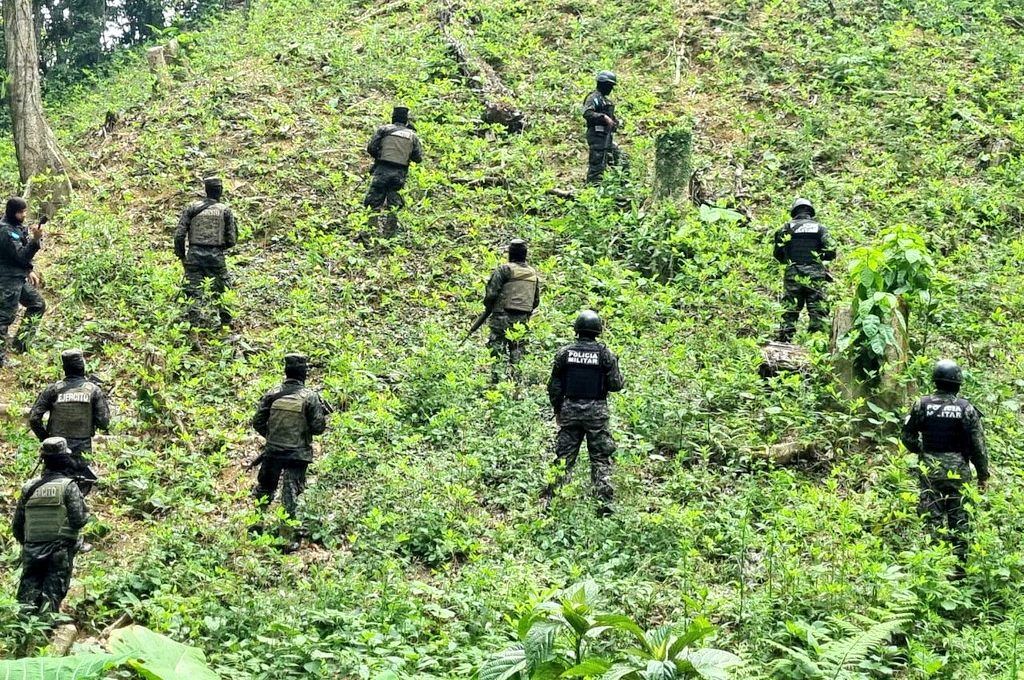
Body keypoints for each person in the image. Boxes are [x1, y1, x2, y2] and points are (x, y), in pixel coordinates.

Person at [902, 359, 989, 564]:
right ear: (958, 383)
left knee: (931, 517)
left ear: (935, 381)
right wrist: (983, 475)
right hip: (959, 471)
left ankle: (935, 565)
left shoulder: (921, 404)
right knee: (959, 518)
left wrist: (923, 451)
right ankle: (959, 568)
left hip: (930, 470)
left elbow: (907, 436)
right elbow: (978, 446)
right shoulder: (966, 408)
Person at [542, 310, 624, 515]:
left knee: (564, 458)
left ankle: (553, 506)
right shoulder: (605, 354)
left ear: (577, 329)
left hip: (570, 412)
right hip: (596, 414)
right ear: (598, 330)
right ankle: (604, 507)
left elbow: (554, 387)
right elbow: (615, 385)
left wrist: (558, 410)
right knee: (600, 458)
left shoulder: (565, 353)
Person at [251, 353, 328, 551]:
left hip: (273, 452)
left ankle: (256, 525)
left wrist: (272, 437)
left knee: (265, 488)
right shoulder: (310, 397)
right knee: (291, 494)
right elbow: (318, 428)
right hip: (297, 455)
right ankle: (287, 538)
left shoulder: (272, 393)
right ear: (304, 374)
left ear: (286, 372)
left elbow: (257, 422)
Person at [11, 437, 90, 616]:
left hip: (32, 548)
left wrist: (30, 543)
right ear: (64, 460)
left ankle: (22, 632)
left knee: (27, 595)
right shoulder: (68, 487)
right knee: (52, 594)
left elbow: (17, 525)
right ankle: (47, 631)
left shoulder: (28, 487)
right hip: (58, 550)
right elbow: (78, 520)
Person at [29, 349, 111, 495]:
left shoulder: (53, 390)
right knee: (79, 493)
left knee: (50, 489)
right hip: (81, 452)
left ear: (64, 369)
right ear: (83, 367)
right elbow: (104, 422)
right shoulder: (93, 390)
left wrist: (47, 439)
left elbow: (34, 418)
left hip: (55, 451)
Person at [174, 176, 238, 328]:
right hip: (216, 258)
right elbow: (232, 239)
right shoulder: (225, 211)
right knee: (223, 291)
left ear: (206, 190)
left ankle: (193, 329)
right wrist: (218, 248)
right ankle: (225, 327)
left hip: (194, 257)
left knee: (192, 294)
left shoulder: (192, 208)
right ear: (220, 191)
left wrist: (182, 256)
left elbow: (179, 235)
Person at [773, 198, 836, 342]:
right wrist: (818, 258)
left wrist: (791, 261)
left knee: (790, 310)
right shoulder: (820, 228)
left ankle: (785, 342)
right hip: (815, 275)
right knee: (818, 310)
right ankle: (816, 343)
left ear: (794, 211)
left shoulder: (785, 228)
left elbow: (778, 253)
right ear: (810, 212)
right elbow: (831, 251)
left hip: (793, 274)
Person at [482, 239, 540, 382]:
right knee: (518, 352)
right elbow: (536, 300)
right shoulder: (533, 274)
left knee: (497, 351)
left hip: (501, 318)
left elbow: (491, 294)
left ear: (510, 254)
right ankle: (518, 385)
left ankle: (497, 383)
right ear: (525, 255)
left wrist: (490, 307)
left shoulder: (504, 270)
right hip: (522, 320)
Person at [0, 197, 46, 367]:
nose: (24, 215)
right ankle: (1, 358)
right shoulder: (5, 231)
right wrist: (35, 241)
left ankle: (21, 344)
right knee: (4, 318)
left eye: (25, 211)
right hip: (7, 280)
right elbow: (20, 255)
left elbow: (21, 255)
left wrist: (29, 270)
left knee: (37, 304)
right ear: (12, 212)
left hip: (18, 276)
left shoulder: (16, 227)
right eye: (21, 212)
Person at [363, 106, 423, 231]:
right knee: (394, 203)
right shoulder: (412, 136)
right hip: (399, 173)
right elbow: (418, 158)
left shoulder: (384, 130)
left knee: (374, 200)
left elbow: (371, 148)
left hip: (382, 169)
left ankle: (371, 229)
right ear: (406, 120)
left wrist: (380, 156)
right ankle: (391, 231)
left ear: (393, 117)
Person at [582, 71, 623, 183]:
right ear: (603, 84)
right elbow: (587, 113)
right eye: (609, 86)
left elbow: (611, 119)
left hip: (607, 137)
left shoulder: (606, 101)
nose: (610, 89)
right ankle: (592, 189)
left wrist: (615, 122)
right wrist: (603, 117)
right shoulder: (593, 98)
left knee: (619, 159)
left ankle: (620, 185)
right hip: (596, 136)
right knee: (597, 166)